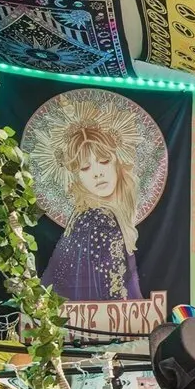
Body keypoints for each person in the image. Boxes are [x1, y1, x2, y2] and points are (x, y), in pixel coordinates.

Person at [40, 122, 143, 300]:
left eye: (104, 161)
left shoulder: (84, 216)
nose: (97, 173)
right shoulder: (100, 219)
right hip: (104, 316)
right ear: (77, 177)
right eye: (85, 168)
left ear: (117, 163)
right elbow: (113, 296)